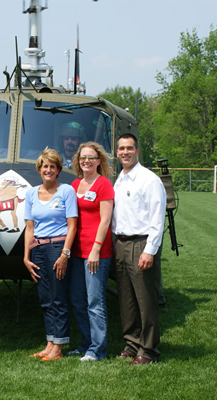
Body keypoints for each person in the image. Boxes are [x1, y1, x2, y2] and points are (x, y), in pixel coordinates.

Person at [112, 134, 166, 365]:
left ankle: (149, 350)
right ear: (117, 152)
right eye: (121, 148)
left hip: (141, 243)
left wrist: (149, 251)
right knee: (127, 300)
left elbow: (157, 219)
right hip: (121, 243)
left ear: (137, 150)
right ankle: (132, 343)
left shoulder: (149, 180)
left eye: (129, 148)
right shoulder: (120, 179)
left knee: (146, 301)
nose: (125, 152)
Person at [23, 148, 77, 362]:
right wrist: (26, 256)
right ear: (39, 169)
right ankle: (50, 343)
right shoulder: (31, 193)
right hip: (37, 249)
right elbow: (29, 227)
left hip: (58, 248)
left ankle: (59, 346)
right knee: (45, 299)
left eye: (52, 166)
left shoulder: (66, 191)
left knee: (58, 298)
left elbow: (72, 225)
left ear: (58, 170)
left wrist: (65, 254)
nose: (48, 170)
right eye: (45, 166)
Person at [68, 142, 115, 361]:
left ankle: (98, 350)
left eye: (91, 158)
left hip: (96, 253)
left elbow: (105, 220)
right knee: (78, 300)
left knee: (95, 302)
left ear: (98, 161)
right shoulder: (75, 184)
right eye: (83, 157)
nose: (86, 161)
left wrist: (95, 249)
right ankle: (86, 343)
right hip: (77, 252)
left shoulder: (103, 184)